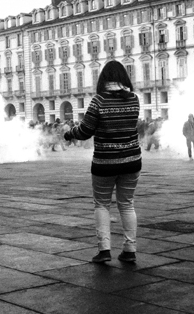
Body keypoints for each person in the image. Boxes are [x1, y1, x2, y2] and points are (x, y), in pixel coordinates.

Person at [64, 61, 141, 264]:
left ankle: (104, 249)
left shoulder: (98, 101)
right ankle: (130, 249)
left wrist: (68, 133)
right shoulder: (134, 99)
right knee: (126, 204)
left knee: (102, 204)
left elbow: (85, 131)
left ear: (103, 79)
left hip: (105, 161)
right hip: (132, 160)